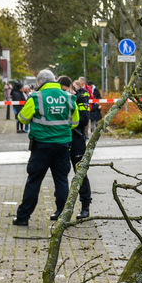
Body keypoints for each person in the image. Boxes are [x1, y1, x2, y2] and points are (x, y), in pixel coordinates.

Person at [13, 69, 79, 226]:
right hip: (62, 146)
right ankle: (63, 216)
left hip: (41, 146)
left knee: (34, 181)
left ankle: (23, 217)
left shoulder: (36, 97)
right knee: (62, 180)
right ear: (55, 80)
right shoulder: (69, 97)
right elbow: (75, 122)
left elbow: (23, 118)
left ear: (39, 83)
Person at [58, 75, 93, 220]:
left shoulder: (81, 97)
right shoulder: (59, 99)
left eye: (65, 90)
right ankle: (62, 208)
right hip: (62, 139)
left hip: (76, 138)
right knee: (61, 174)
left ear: (71, 87)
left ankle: (85, 206)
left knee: (80, 173)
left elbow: (84, 119)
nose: (63, 93)